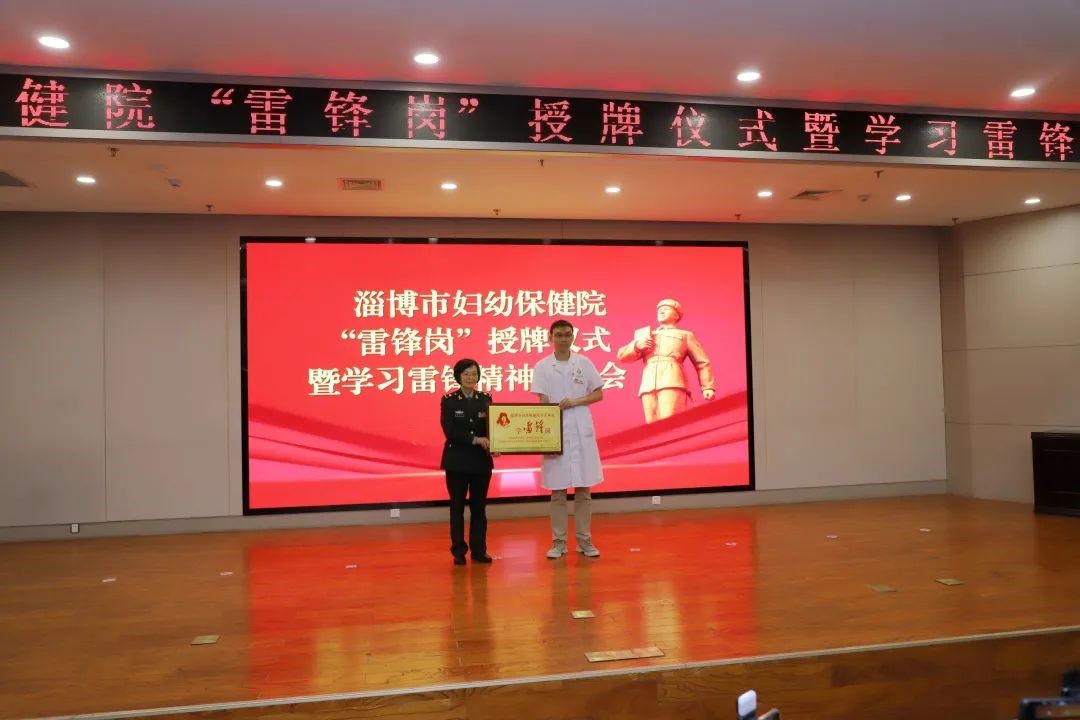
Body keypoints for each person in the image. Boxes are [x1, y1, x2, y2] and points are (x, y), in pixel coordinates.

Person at [530, 319, 604, 559]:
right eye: (559, 334)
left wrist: (575, 401)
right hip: (556, 431)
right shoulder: (542, 366)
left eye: (567, 334)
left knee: (584, 490)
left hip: (581, 429)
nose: (563, 338)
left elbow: (598, 393)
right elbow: (543, 402)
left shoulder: (584, 362)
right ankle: (559, 542)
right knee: (558, 492)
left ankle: (585, 541)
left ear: (573, 337)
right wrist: (546, 440)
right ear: (550, 337)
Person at [616, 298, 715, 423]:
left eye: (666, 309)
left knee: (671, 422)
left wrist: (707, 387)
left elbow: (702, 362)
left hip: (672, 380)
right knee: (651, 425)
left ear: (676, 315)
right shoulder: (647, 335)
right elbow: (622, 356)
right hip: (648, 383)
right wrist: (636, 346)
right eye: (659, 310)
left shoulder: (685, 335)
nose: (661, 312)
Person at [439, 358, 494, 565]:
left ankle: (479, 551)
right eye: (466, 374)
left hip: (481, 462)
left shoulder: (486, 399)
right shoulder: (449, 400)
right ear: (458, 376)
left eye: (474, 374)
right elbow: (450, 431)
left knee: (479, 508)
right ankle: (458, 551)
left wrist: (497, 444)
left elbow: (494, 428)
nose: (471, 378)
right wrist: (476, 440)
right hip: (457, 462)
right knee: (457, 507)